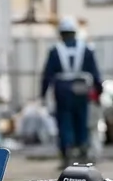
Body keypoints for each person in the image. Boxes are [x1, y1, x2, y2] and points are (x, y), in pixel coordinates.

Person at [40, 16, 102, 165]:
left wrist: (42, 93)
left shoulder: (55, 51)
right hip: (81, 87)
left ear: (61, 34)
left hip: (62, 89)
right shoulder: (86, 49)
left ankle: (67, 150)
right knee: (81, 118)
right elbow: (95, 72)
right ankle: (82, 149)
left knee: (64, 120)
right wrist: (99, 91)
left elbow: (47, 74)